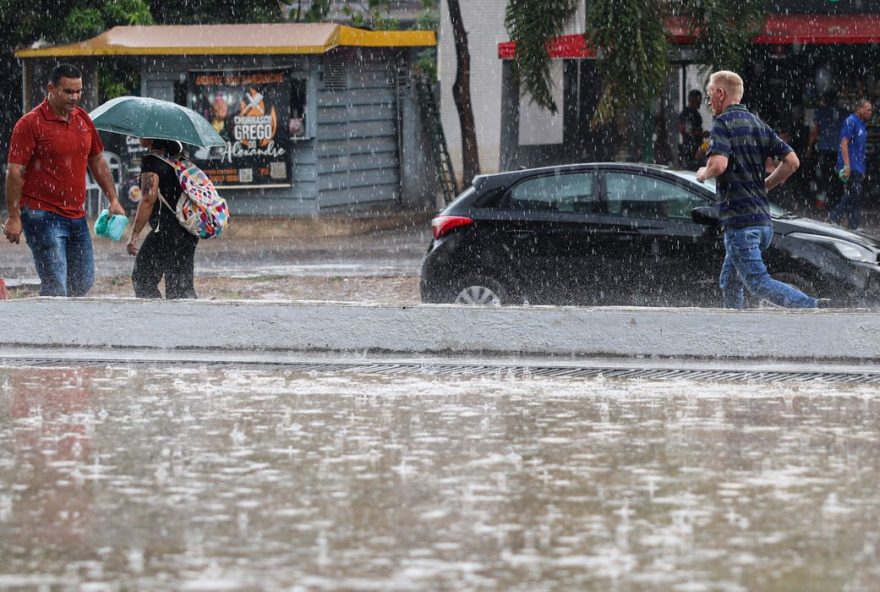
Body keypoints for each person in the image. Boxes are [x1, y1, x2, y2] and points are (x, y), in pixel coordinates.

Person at [696, 70, 819, 309]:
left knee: (757, 282)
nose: (709, 101)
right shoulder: (757, 123)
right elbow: (792, 161)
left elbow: (719, 164)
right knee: (730, 280)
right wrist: (765, 185)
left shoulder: (722, 124)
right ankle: (735, 329)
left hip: (741, 222)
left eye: (710, 94)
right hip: (763, 222)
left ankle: (810, 307)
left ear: (721, 94)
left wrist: (703, 172)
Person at [3, 63, 124, 296]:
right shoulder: (30, 124)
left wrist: (113, 199)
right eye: (68, 91)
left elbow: (97, 161)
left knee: (83, 281)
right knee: (56, 284)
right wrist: (13, 216)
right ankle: (50, 329)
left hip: (76, 215)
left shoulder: (83, 119)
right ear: (51, 88)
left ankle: (63, 325)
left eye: (78, 91)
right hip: (40, 214)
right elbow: (14, 172)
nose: (75, 97)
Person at [126, 138, 198, 299]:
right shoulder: (179, 156)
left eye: (142, 134)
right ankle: (189, 320)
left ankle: (156, 320)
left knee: (142, 278)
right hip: (188, 228)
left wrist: (134, 234)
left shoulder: (151, 161)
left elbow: (147, 200)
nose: (139, 137)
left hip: (166, 231)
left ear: (151, 138)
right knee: (180, 286)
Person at [829, 98, 873, 230]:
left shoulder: (862, 125)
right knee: (854, 193)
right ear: (860, 109)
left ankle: (854, 225)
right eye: (868, 109)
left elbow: (861, 149)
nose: (870, 112)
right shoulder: (851, 122)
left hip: (858, 166)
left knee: (855, 195)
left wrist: (863, 169)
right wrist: (847, 165)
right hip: (850, 165)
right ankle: (835, 217)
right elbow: (844, 143)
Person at [806, 89, 844, 210]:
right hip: (839, 150)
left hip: (825, 149)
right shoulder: (843, 113)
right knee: (838, 178)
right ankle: (836, 203)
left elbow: (814, 132)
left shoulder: (820, 112)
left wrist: (809, 147)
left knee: (823, 178)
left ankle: (822, 204)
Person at [678, 89, 704, 170]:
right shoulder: (686, 113)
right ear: (693, 100)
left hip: (697, 149)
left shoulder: (696, 114)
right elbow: (684, 130)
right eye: (699, 100)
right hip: (690, 149)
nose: (700, 103)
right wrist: (699, 134)